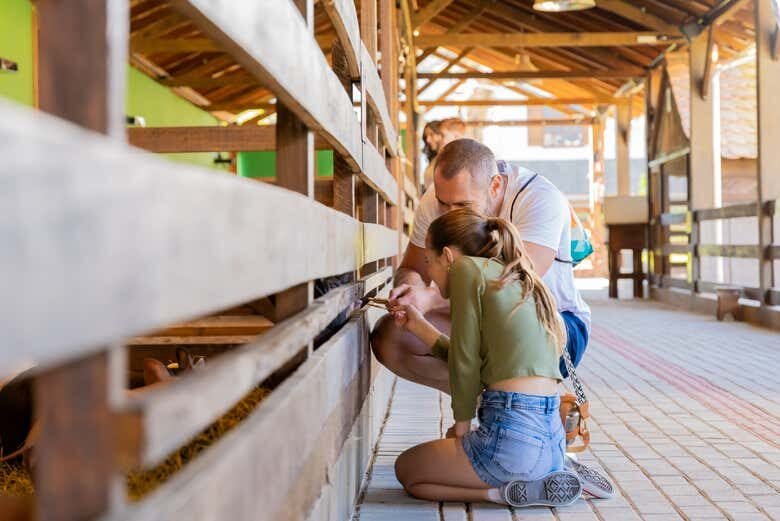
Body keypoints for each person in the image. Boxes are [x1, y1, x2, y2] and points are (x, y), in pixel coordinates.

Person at [371, 138, 614, 498]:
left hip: (557, 328)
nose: (448, 213)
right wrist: (412, 293)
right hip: (497, 343)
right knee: (390, 337)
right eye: (443, 203)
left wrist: (430, 297)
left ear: (496, 186)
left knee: (410, 470)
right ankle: (541, 443)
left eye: (462, 205)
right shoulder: (438, 199)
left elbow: (512, 289)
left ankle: (516, 445)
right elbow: (412, 269)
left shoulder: (540, 198)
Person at [390, 207, 581, 507]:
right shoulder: (513, 275)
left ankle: (502, 492)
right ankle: (548, 470)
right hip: (551, 435)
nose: (430, 276)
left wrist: (461, 429)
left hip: (513, 438)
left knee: (407, 470)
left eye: (429, 262)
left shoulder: (466, 269)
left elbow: (465, 363)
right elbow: (473, 360)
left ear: (448, 256)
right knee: (427, 471)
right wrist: (418, 326)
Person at [422, 118, 466, 190]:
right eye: (426, 136)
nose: (428, 140)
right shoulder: (437, 159)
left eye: (432, 134)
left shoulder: (457, 159)